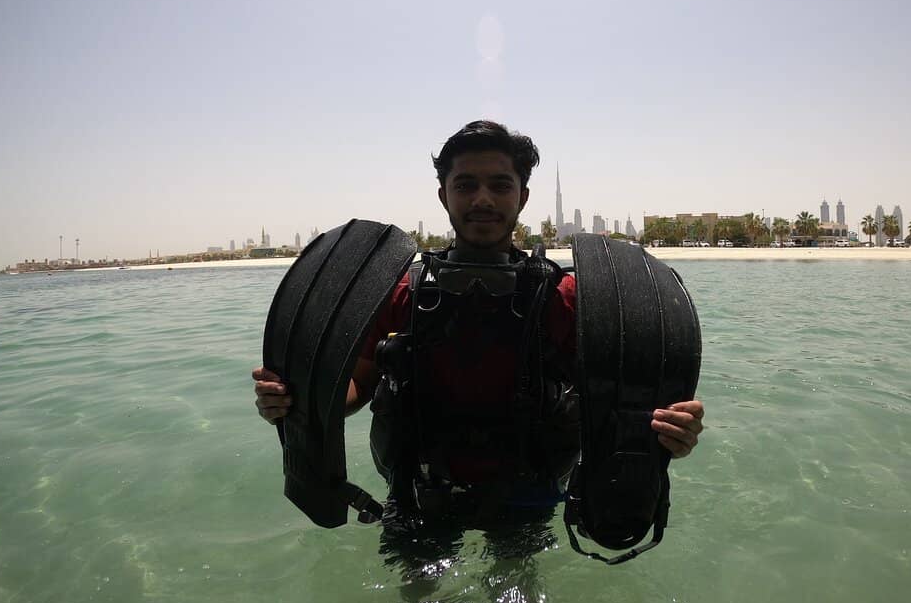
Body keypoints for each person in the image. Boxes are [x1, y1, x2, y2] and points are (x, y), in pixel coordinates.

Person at [252, 120, 704, 555]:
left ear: (522, 196)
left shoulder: (565, 298)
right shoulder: (402, 292)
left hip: (528, 489)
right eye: (466, 184)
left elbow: (618, 403)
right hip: (419, 488)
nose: (482, 199)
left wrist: (666, 430)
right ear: (443, 195)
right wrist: (298, 401)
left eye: (500, 185)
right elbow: (357, 388)